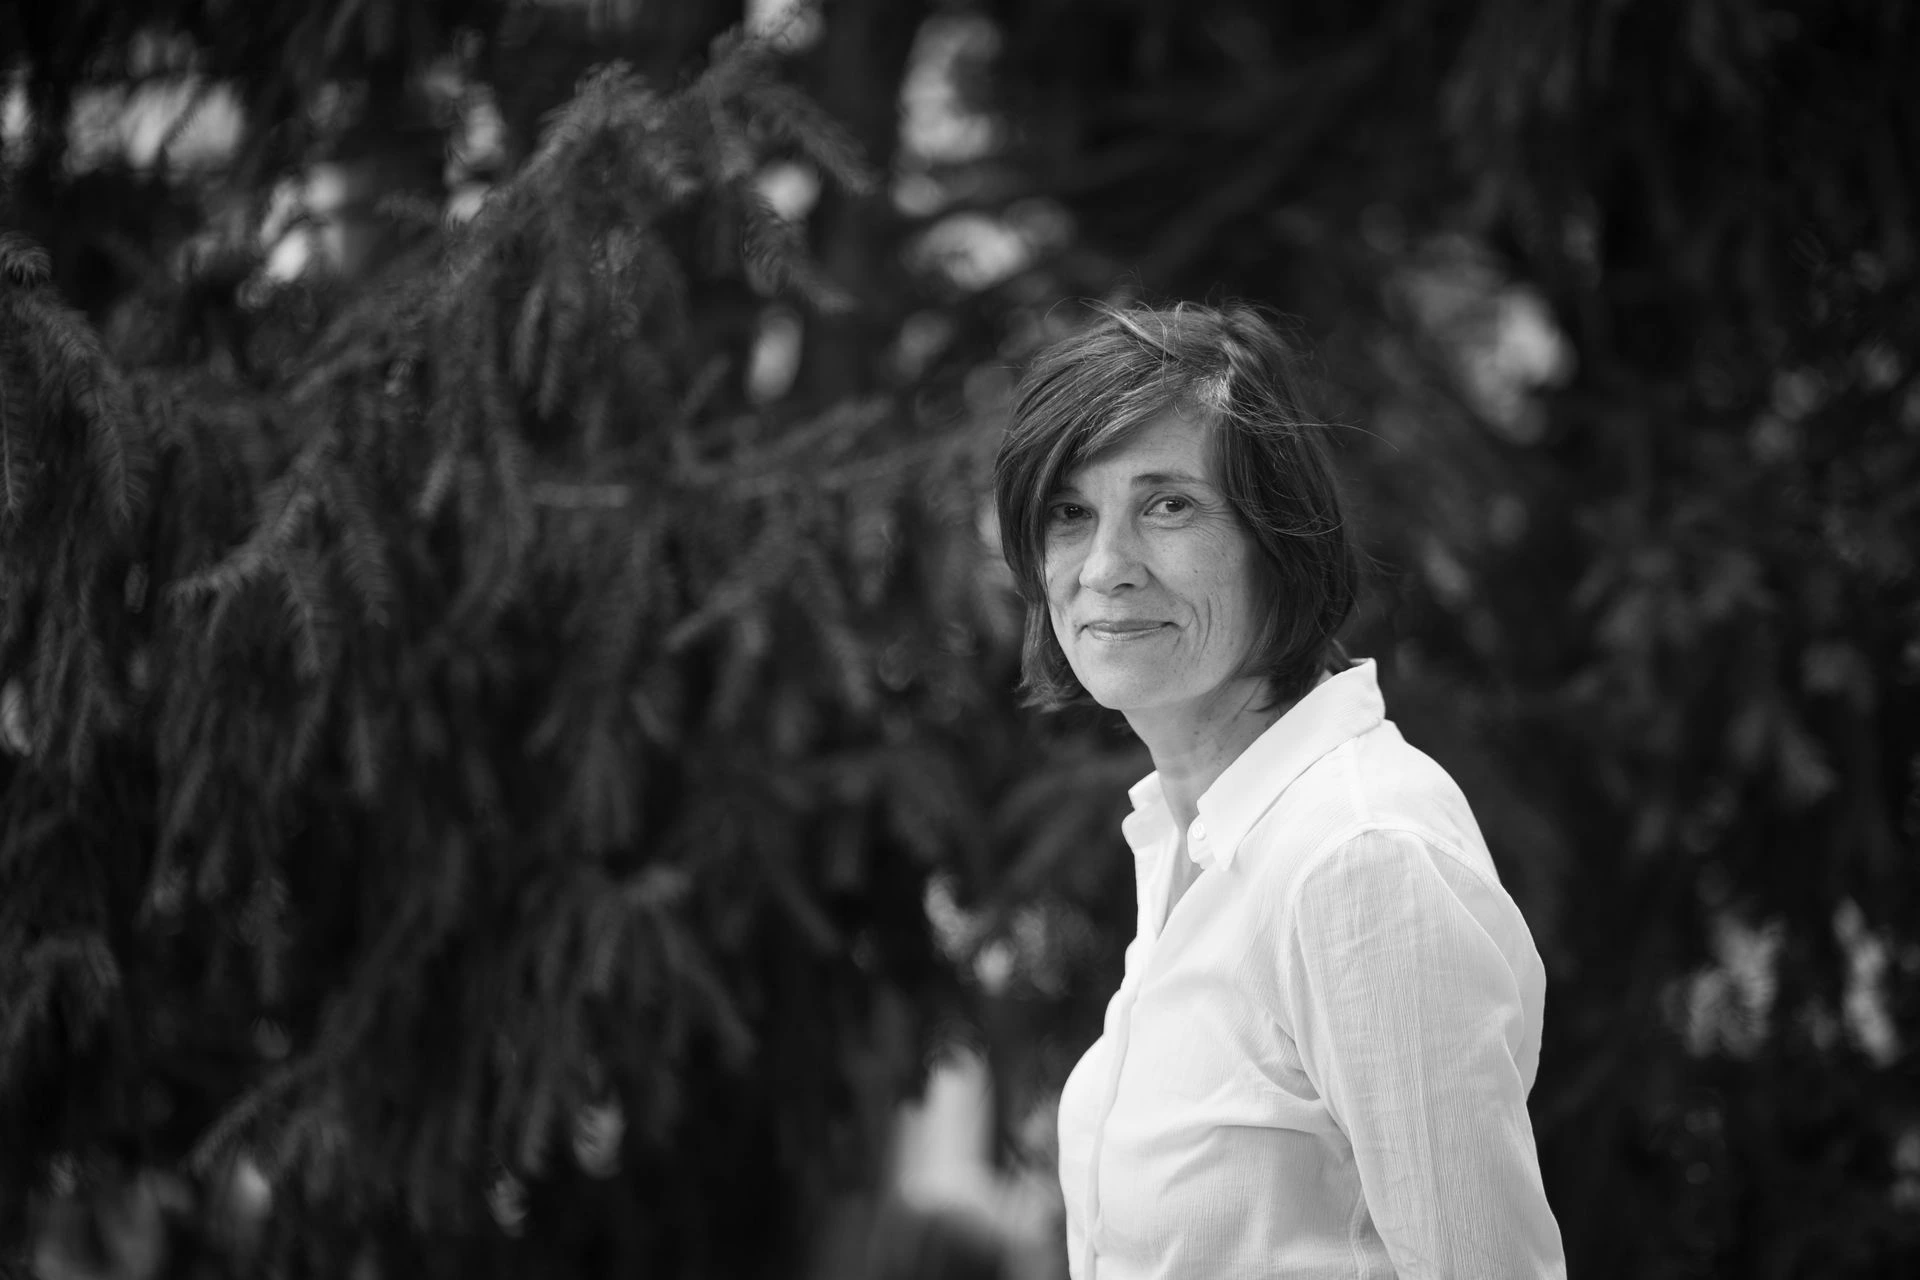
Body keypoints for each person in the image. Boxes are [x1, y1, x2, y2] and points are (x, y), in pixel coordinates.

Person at [992, 301, 1567, 1280]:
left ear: (1278, 540)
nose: (1106, 568)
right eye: (1070, 513)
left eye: (1168, 506)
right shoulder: (1193, 836)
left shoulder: (1358, 858)